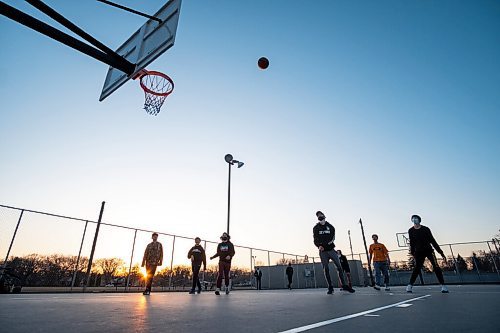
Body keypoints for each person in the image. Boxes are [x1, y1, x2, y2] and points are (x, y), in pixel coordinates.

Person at [313, 211, 355, 294]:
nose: (320, 217)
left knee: (339, 267)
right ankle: (330, 287)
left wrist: (326, 244)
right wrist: (319, 246)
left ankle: (344, 285)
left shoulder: (330, 227)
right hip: (323, 252)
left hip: (331, 250)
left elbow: (332, 238)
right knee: (326, 269)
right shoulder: (316, 228)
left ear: (324, 216)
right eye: (318, 216)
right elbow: (315, 239)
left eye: (321, 215)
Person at [406, 215, 449, 293]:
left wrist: (441, 252)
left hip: (429, 250)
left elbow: (432, 240)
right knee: (417, 268)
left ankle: (443, 285)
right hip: (419, 252)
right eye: (413, 219)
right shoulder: (411, 230)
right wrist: (413, 253)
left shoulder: (425, 229)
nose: (414, 220)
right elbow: (412, 242)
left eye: (416, 218)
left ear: (419, 220)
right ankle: (410, 285)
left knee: (436, 267)